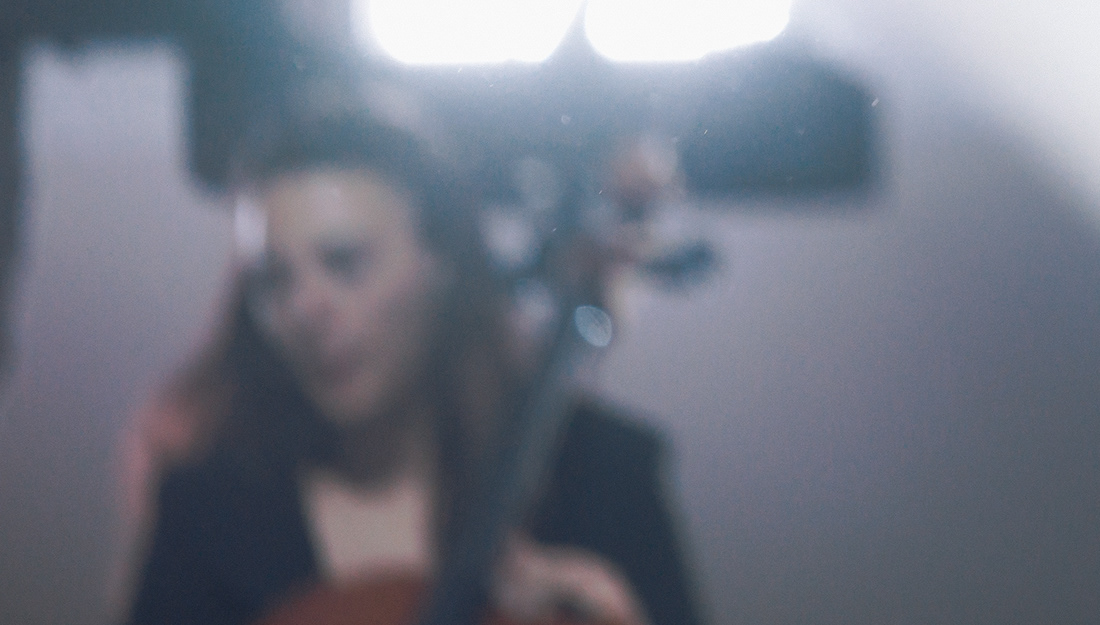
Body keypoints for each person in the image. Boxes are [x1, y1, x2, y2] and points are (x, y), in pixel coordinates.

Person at [121, 107, 701, 625]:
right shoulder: (206, 509)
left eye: (344, 262)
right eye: (274, 280)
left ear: (440, 262)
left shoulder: (601, 476)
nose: (306, 310)